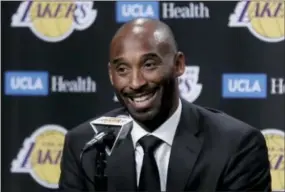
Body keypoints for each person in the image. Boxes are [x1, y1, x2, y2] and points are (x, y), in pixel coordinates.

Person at [58, 18, 271, 192]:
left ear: (178, 65)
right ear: (111, 75)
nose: (136, 83)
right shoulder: (84, 147)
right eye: (122, 69)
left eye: (149, 65)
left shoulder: (237, 146)